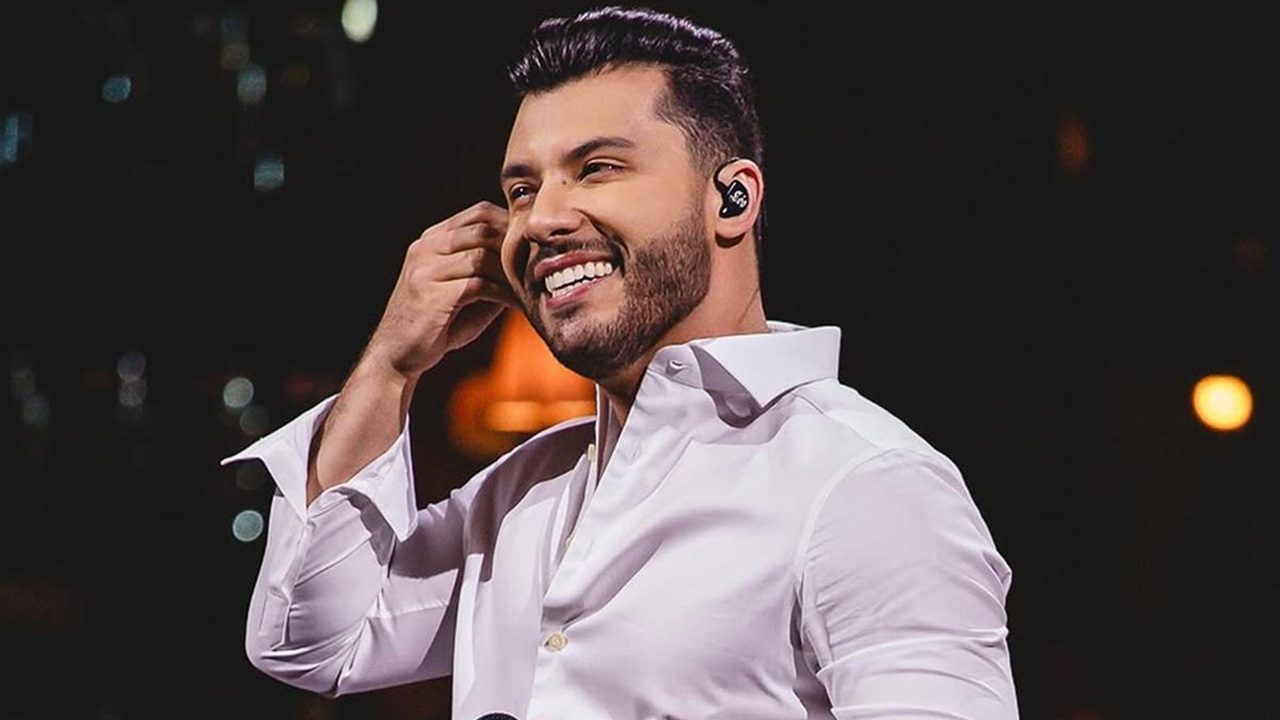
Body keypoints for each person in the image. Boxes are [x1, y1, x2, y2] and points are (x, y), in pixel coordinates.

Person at [222, 5, 1018, 718]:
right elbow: (312, 642)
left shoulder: (865, 483)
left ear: (732, 199)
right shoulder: (524, 495)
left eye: (598, 167)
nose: (545, 218)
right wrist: (392, 365)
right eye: (523, 188)